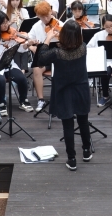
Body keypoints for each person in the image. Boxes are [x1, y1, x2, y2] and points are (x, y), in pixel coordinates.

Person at [33, 19, 93, 171]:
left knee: (68, 125)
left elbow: (40, 58)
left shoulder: (57, 53)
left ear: (64, 36)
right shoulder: (83, 48)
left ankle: (71, 159)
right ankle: (86, 151)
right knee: (83, 120)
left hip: (64, 90)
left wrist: (48, 38)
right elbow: (72, 45)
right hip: (81, 89)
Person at [0, 10, 33, 113]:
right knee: (0, 80)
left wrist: (27, 44)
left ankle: (23, 100)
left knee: (22, 78)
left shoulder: (10, 35)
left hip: (8, 64)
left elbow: (20, 49)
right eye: (3, 23)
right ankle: (2, 103)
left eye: (7, 22)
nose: (6, 25)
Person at [26, 1, 58, 113]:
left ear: (51, 11)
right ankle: (41, 99)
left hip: (58, 57)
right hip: (44, 58)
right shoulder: (36, 26)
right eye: (42, 17)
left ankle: (61, 97)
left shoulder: (60, 24)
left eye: (47, 15)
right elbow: (28, 41)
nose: (45, 19)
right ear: (38, 16)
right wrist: (32, 47)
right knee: (36, 68)